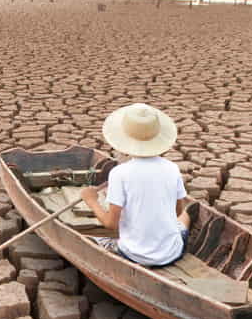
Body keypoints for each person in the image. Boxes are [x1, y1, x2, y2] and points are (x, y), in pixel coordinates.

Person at [80, 103, 191, 267]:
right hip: (172, 253)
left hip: (134, 255)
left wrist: (91, 201)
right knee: (186, 216)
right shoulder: (172, 168)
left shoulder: (120, 173)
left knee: (99, 236)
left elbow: (111, 224)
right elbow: (178, 212)